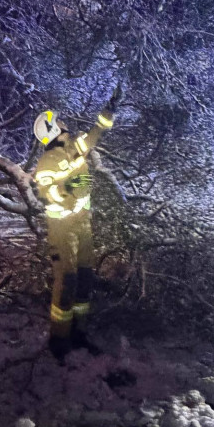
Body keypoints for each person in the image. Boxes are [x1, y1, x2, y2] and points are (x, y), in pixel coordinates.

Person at [33, 87, 121, 359]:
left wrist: (109, 110)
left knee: (85, 278)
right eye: (58, 122)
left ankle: (79, 332)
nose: (63, 123)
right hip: (63, 230)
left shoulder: (74, 147)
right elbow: (47, 195)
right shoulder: (47, 162)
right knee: (67, 281)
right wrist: (71, 185)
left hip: (83, 225)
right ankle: (59, 340)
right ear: (51, 131)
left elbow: (95, 135)